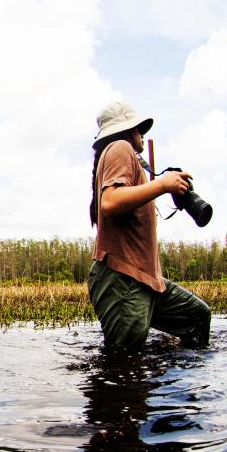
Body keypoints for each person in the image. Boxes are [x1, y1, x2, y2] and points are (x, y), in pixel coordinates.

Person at [87, 101, 211, 350]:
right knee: (124, 365)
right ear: (123, 130)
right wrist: (163, 185)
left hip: (146, 281)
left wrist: (169, 190)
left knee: (197, 317)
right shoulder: (119, 147)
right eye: (137, 127)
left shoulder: (125, 158)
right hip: (124, 280)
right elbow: (110, 202)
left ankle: (165, 375)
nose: (142, 132)